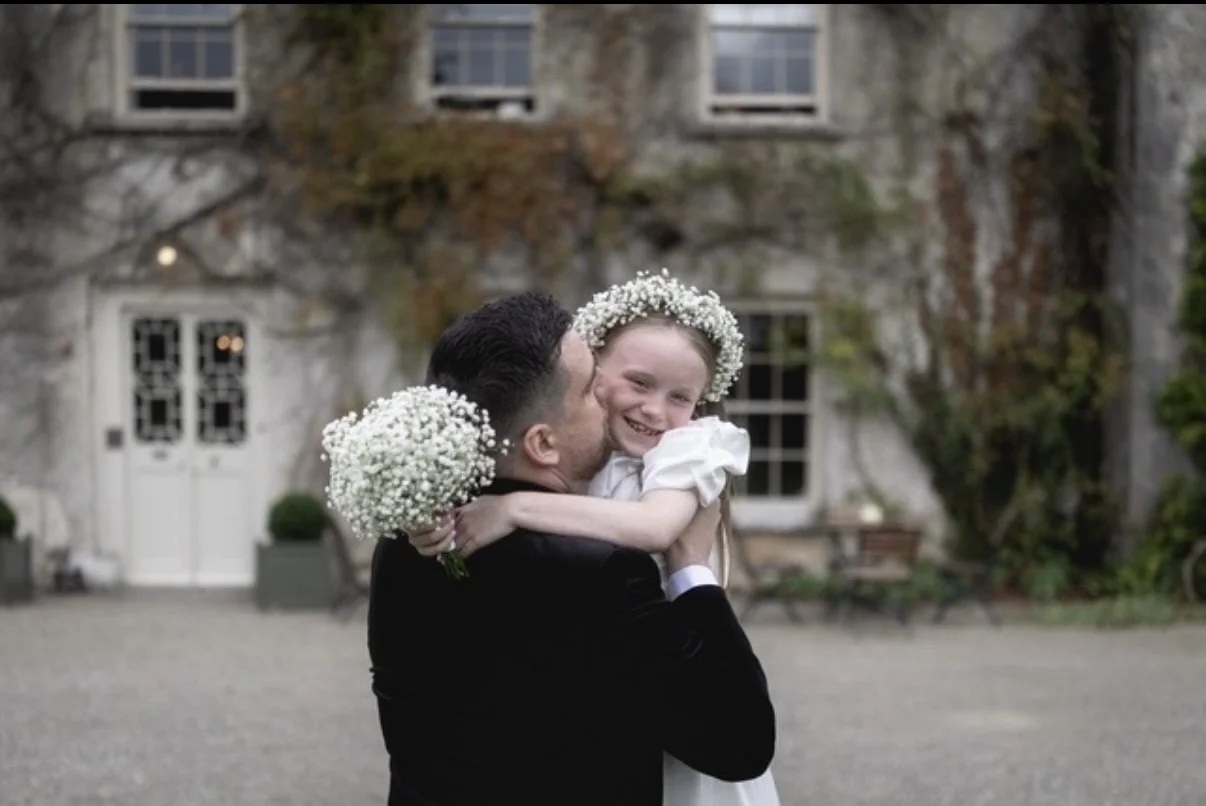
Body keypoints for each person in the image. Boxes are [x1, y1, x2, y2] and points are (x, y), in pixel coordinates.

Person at [368, 290, 775, 805]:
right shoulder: (603, 573)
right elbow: (739, 741)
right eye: (591, 389)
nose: (609, 400)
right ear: (541, 442)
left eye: (679, 396)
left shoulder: (412, 538)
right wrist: (691, 568)